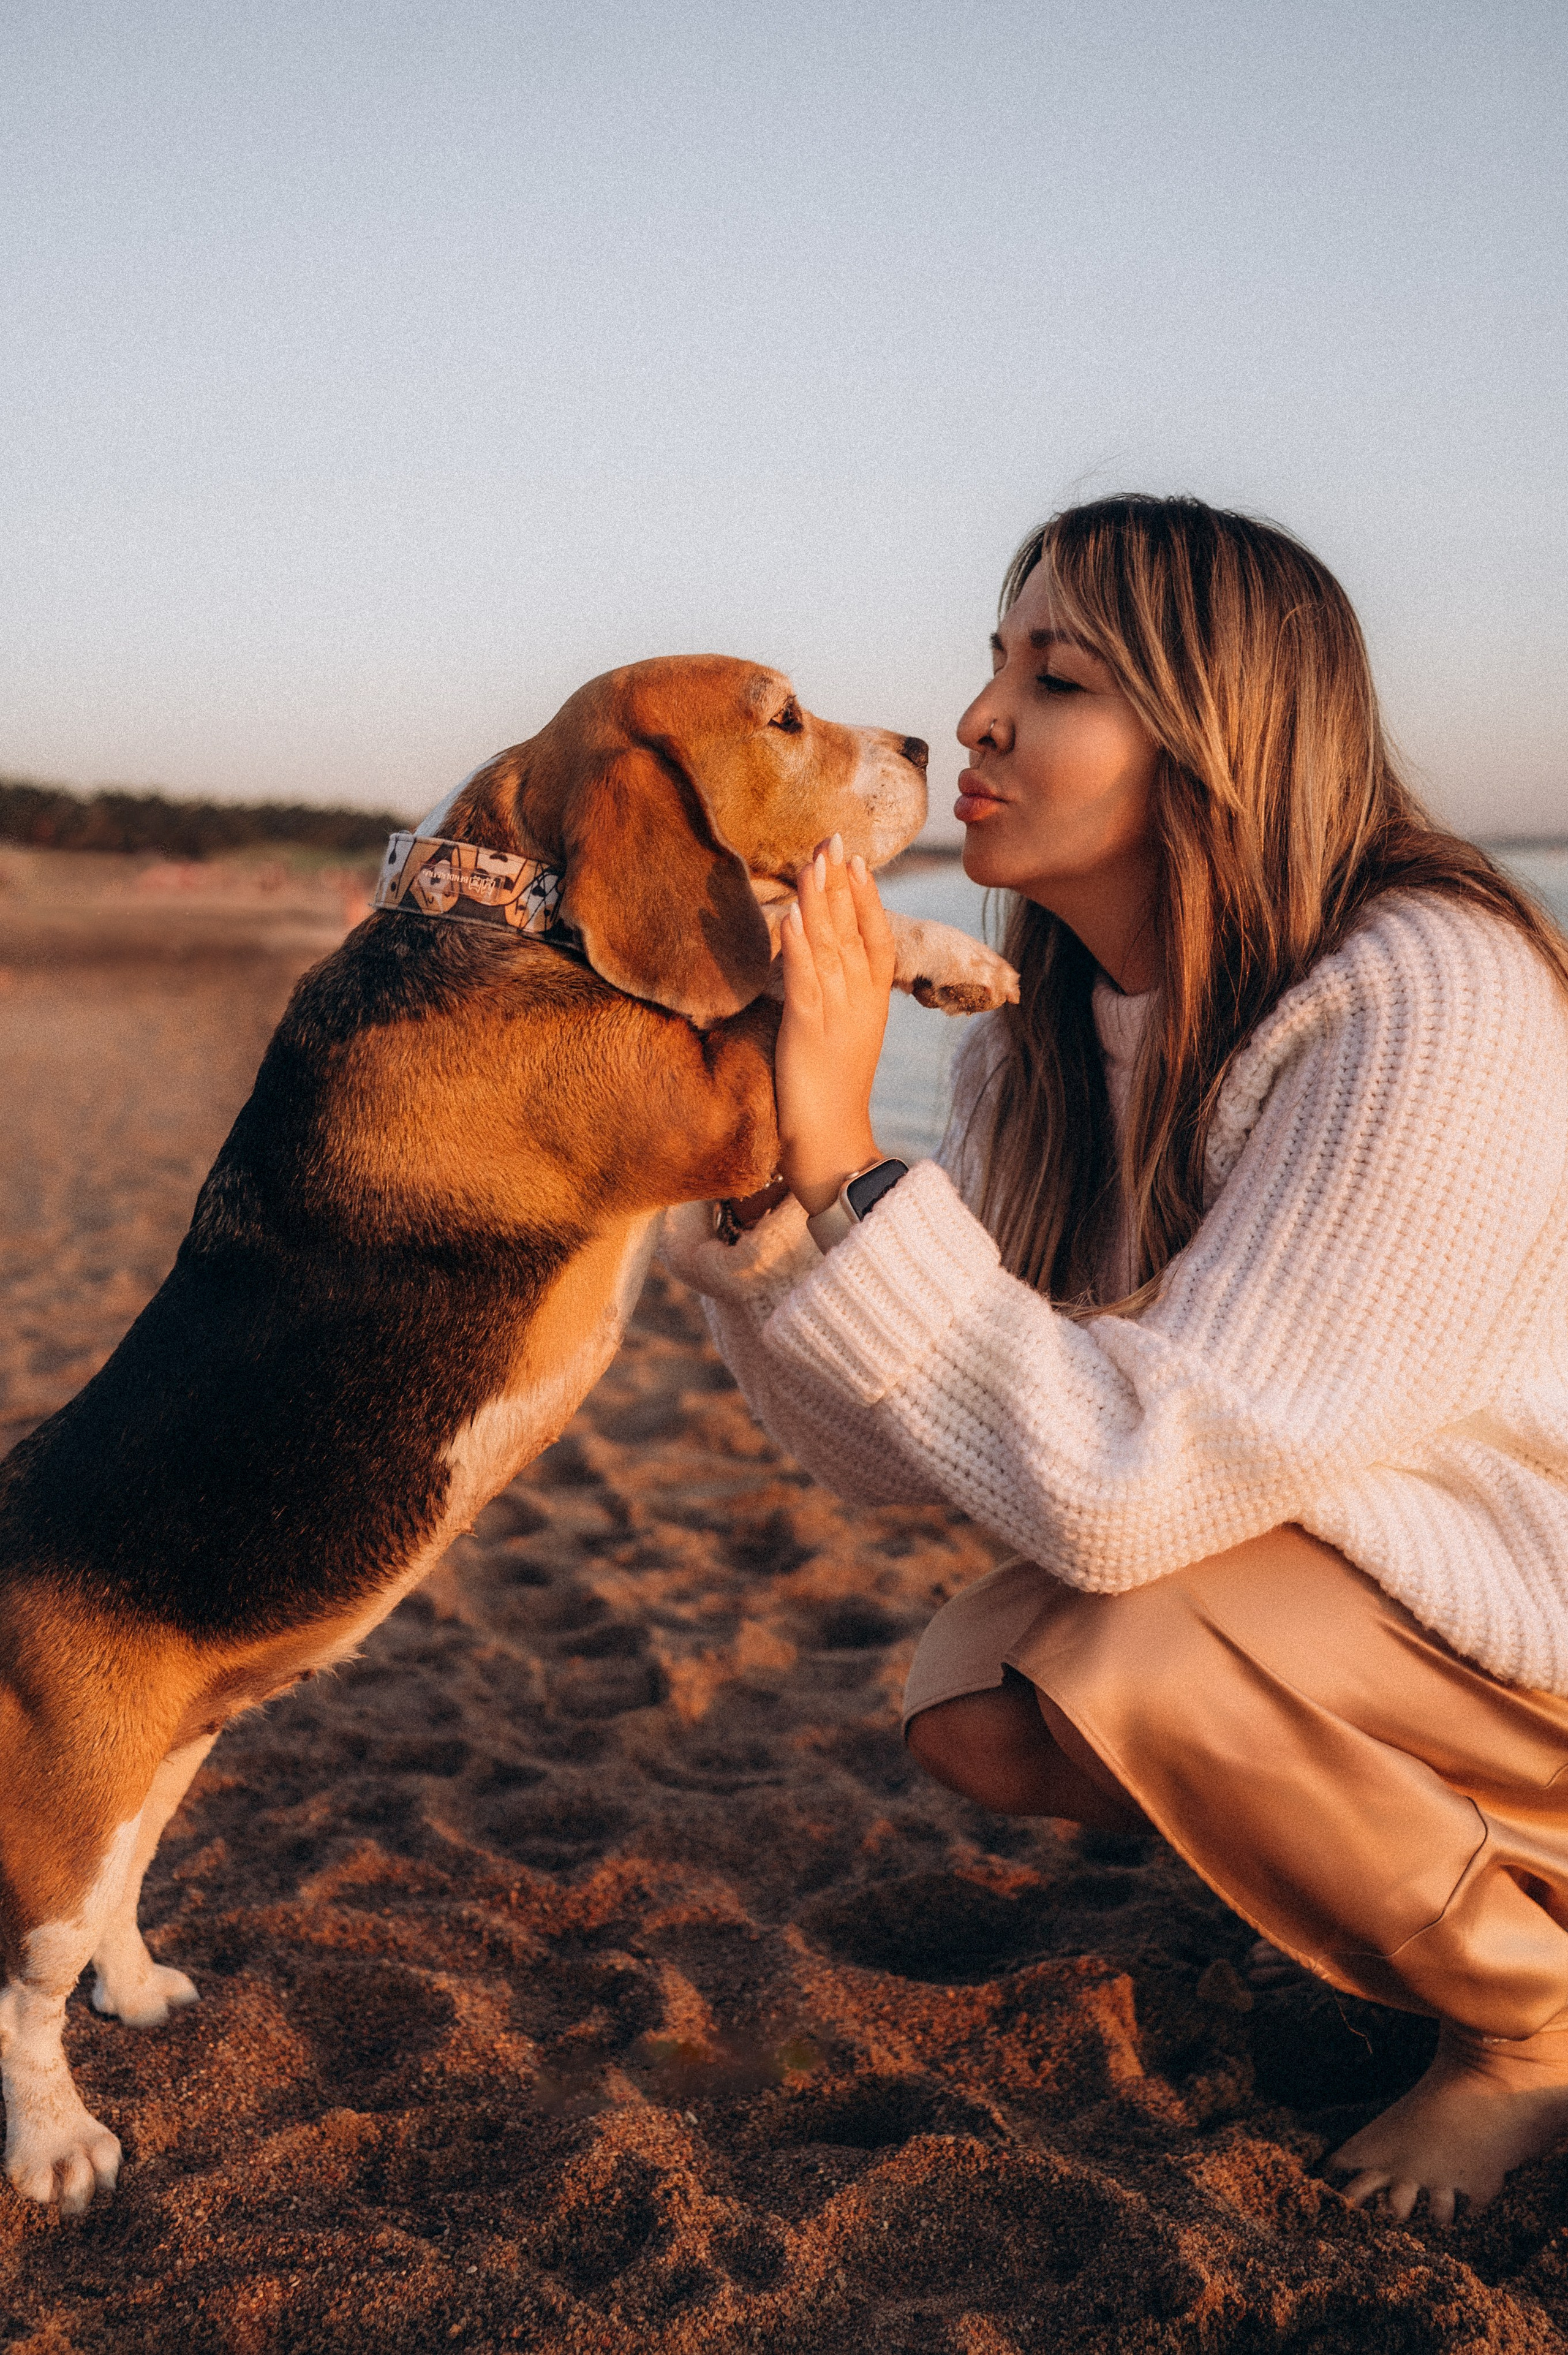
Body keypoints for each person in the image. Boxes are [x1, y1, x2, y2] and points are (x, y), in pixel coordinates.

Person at [663, 494, 1568, 2224]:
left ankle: (1533, 2028)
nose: (983, 718)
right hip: (1370, 1608)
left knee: (1125, 1636)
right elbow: (904, 1436)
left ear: (1217, 740)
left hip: (1532, 1616)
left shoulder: (1427, 990)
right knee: (985, 1696)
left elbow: (1128, 1492)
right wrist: (768, 1192)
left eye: (1058, 677)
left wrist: (853, 1154)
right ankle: (1442, 1868)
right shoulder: (1056, 1020)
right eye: (998, 661)